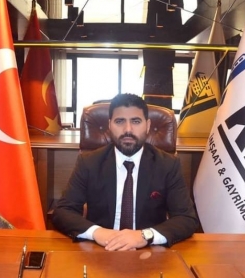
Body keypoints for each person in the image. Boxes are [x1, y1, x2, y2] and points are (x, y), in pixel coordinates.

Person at [52, 93, 199, 250]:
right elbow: (63, 211)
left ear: (148, 125)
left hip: (149, 250)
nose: (128, 129)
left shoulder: (167, 165)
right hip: (101, 249)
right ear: (109, 125)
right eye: (119, 121)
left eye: (136, 121)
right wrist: (97, 232)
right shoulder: (89, 163)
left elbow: (186, 218)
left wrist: (145, 236)